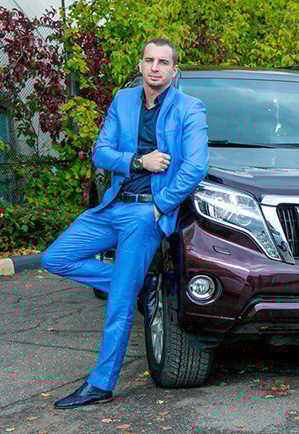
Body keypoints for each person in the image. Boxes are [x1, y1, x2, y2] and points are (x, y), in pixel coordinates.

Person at [40, 38, 209, 409]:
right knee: (55, 258)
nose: (155, 67)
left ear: (174, 70)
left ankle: (101, 385)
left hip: (145, 213)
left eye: (163, 62)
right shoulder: (123, 100)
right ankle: (142, 284)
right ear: (140, 64)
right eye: (149, 60)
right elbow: (101, 153)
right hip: (113, 204)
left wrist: (160, 206)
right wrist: (138, 161)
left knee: (117, 306)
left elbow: (196, 166)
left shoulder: (189, 108)